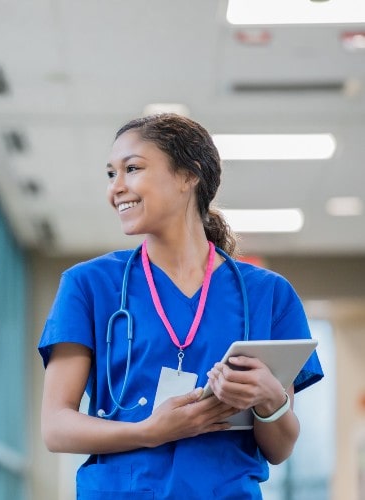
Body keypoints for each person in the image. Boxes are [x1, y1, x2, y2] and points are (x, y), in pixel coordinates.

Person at [38, 113, 323, 499]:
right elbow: (55, 427)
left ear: (189, 176)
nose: (116, 188)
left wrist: (268, 398)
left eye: (132, 169)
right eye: (110, 174)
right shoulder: (88, 285)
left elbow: (280, 448)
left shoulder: (267, 294)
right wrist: (150, 431)